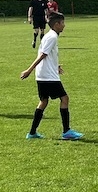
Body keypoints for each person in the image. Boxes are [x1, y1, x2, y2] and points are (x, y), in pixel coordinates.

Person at [20, 11, 81, 140]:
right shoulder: (52, 37)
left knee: (43, 101)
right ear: (56, 24)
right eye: (62, 23)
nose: (64, 25)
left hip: (43, 74)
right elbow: (43, 55)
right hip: (48, 76)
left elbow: (47, 55)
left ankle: (32, 133)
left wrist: (56, 66)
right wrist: (29, 70)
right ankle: (66, 131)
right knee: (64, 99)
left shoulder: (50, 36)